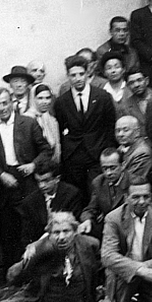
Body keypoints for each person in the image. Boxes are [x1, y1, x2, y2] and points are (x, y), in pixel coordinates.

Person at [0, 88, 53, 268]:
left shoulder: (28, 123)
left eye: (5, 103)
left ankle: (33, 271)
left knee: (31, 228)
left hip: (27, 182)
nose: (2, 108)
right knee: (7, 233)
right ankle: (13, 273)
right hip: (3, 185)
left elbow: (46, 150)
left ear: (12, 102)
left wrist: (33, 165)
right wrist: (0, 174)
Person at [53, 55, 117, 200]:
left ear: (87, 73)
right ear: (68, 76)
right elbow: (61, 130)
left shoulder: (102, 97)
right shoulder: (61, 102)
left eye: (81, 74)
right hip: (74, 158)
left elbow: (110, 126)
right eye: (73, 75)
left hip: (97, 154)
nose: (78, 79)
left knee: (98, 194)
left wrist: (106, 151)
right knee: (77, 196)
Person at [17, 157, 85, 247]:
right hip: (40, 247)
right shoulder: (30, 201)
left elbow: (74, 226)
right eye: (38, 181)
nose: (42, 186)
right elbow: (27, 234)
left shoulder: (72, 194)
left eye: (46, 181)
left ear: (57, 179)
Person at [79, 148, 131, 237]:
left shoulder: (133, 182)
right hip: (108, 228)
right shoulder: (98, 182)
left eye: (112, 168)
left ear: (123, 165)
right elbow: (91, 209)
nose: (108, 173)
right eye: (105, 168)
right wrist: (87, 220)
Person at [118, 66, 152, 138]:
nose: (136, 85)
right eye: (131, 83)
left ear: (146, 81)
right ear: (127, 86)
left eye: (139, 80)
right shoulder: (125, 106)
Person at [26, 84, 61, 163]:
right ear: (33, 99)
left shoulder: (52, 120)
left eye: (48, 98)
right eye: (40, 98)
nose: (45, 102)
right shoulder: (26, 120)